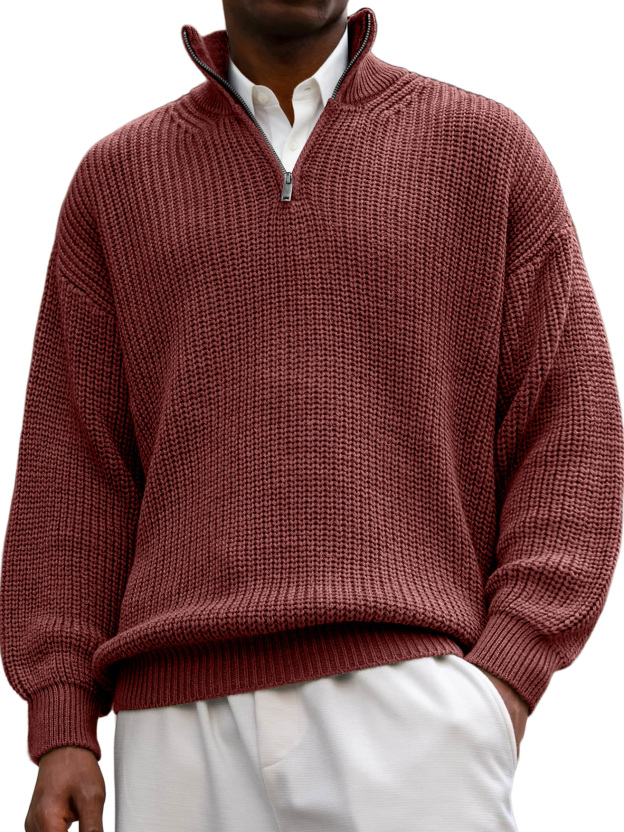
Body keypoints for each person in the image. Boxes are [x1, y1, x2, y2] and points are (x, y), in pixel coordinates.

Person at [1, 2, 622, 830]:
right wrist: (61, 718)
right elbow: (74, 467)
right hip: (174, 722)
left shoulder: (485, 150)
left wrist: (505, 676)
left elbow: (572, 428)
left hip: (411, 704)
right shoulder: (116, 180)